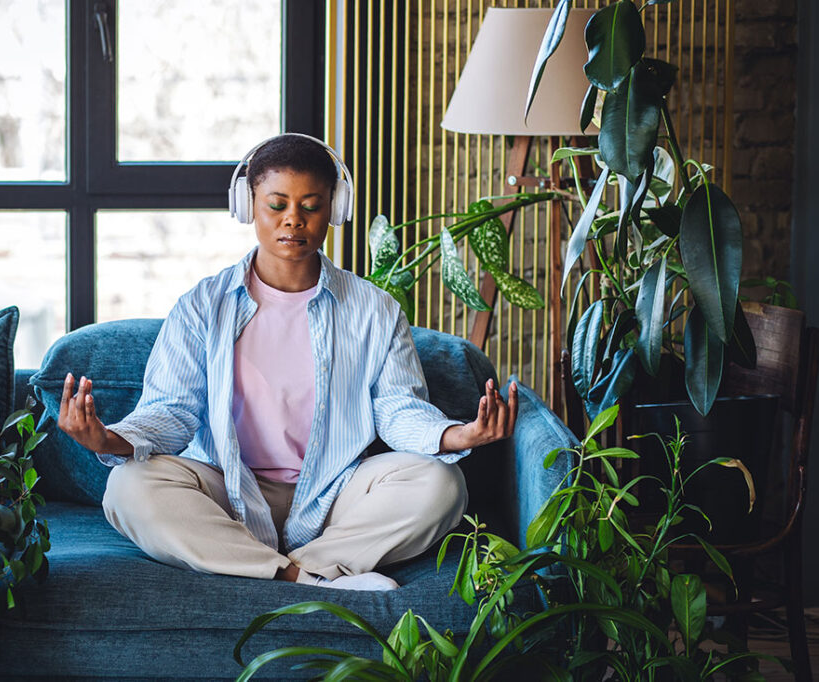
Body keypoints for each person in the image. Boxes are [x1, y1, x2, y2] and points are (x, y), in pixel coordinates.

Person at [57, 133, 518, 591]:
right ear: (247, 205)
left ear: (334, 208)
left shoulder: (375, 310)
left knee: (442, 484)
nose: (293, 221)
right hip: (227, 491)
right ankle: (307, 578)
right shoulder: (202, 306)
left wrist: (458, 434)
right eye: (277, 205)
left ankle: (263, 565)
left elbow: (397, 409)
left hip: (335, 493)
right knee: (128, 488)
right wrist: (111, 440)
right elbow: (173, 411)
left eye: (311, 206)